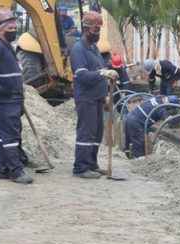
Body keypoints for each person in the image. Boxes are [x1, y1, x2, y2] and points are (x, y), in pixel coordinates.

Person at [0, 9, 33, 184]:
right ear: (0, 28)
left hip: (10, 99)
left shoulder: (4, 46)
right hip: (6, 100)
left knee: (0, 135)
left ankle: (1, 168)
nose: (14, 29)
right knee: (11, 136)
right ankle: (16, 171)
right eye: (10, 27)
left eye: (14, 25)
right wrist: (0, 91)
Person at [69, 11, 118, 179]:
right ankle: (81, 167)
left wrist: (108, 77)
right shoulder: (78, 49)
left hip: (97, 97)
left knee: (97, 133)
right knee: (86, 132)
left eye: (99, 30)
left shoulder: (94, 48)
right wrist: (103, 73)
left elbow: (99, 69)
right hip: (86, 98)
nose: (97, 33)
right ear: (86, 28)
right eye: (94, 30)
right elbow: (82, 75)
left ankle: (91, 163)